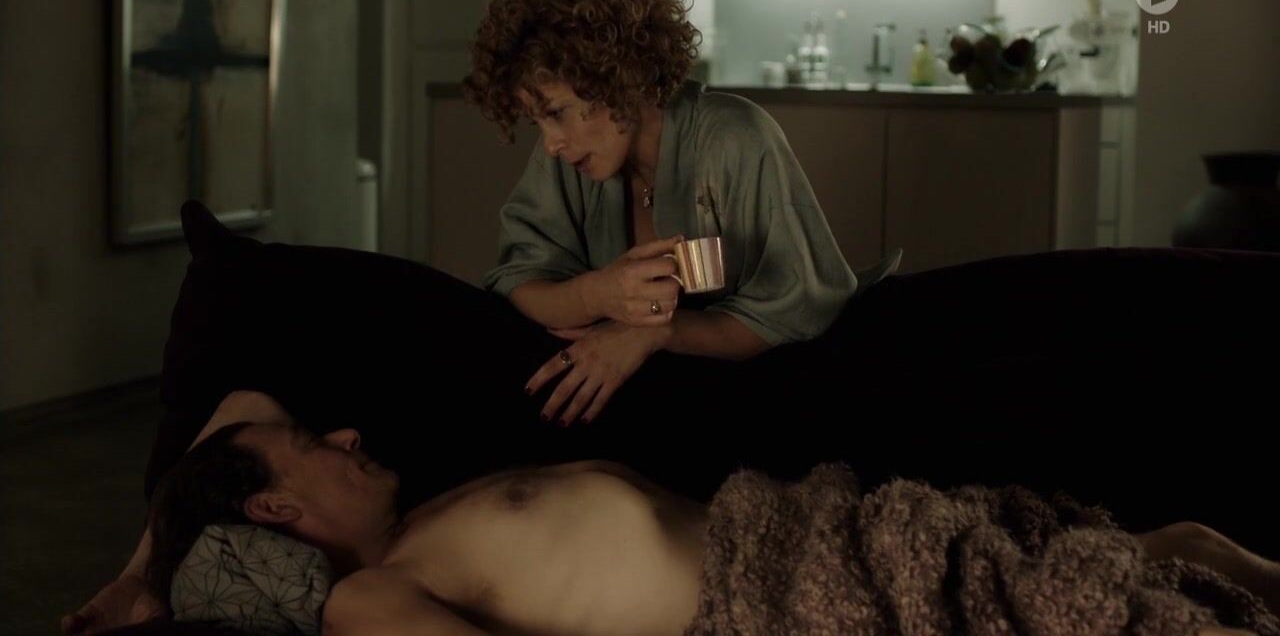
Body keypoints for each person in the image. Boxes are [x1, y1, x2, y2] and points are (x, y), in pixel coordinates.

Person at [128, 392, 1279, 636]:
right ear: (274, 505)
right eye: (311, 445)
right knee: (1112, 603)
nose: (343, 433)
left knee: (1177, 545)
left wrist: (135, 570)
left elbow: (239, 404)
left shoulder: (424, 518)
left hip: (807, 528)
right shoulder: (370, 600)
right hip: (771, 603)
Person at [461, 0, 898, 426]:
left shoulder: (736, 137)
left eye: (557, 113)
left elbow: (798, 310)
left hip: (757, 389)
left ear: (619, 79)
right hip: (633, 398)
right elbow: (521, 282)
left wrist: (652, 332)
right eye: (538, 123)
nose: (550, 144)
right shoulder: (568, 157)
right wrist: (596, 295)